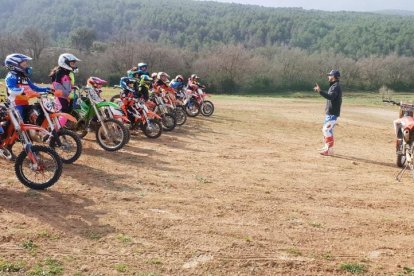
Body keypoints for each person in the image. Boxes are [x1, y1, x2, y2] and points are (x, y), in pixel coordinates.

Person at [4, 53, 51, 122]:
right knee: (20, 122)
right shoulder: (11, 77)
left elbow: (34, 88)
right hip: (15, 105)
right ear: (14, 65)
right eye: (24, 65)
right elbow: (11, 89)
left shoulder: (24, 77)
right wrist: (21, 90)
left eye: (26, 65)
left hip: (25, 103)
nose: (26, 67)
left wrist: (48, 89)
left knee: (33, 117)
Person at [313, 70, 342, 156]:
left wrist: (320, 91)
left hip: (333, 113)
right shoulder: (333, 86)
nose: (328, 77)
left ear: (333, 77)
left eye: (330, 75)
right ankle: (327, 147)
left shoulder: (336, 86)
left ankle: (329, 150)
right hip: (330, 113)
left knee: (326, 130)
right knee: (326, 130)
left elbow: (331, 97)